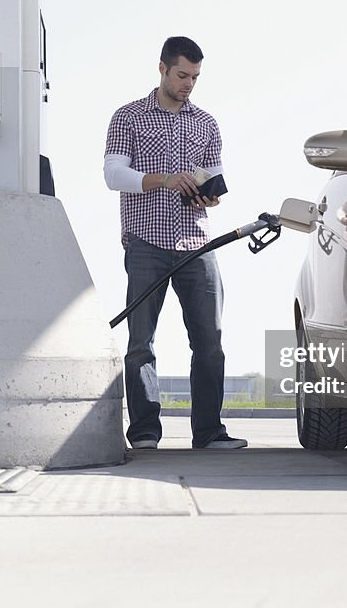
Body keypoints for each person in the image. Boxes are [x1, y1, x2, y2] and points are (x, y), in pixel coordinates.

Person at [103, 36, 247, 451]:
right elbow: (113, 175)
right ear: (162, 68)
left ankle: (209, 433)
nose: (189, 84)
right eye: (182, 75)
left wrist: (210, 194)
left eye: (195, 77)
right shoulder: (128, 117)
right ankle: (145, 432)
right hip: (145, 242)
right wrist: (164, 180)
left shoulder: (206, 124)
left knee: (209, 342)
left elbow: (215, 182)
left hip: (196, 243)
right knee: (140, 343)